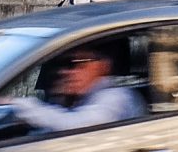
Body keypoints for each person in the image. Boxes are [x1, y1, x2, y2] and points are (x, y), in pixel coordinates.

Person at [9, 47, 144, 131]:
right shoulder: (79, 98)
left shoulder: (117, 97)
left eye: (78, 64)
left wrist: (18, 104)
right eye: (65, 66)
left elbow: (76, 126)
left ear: (103, 65)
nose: (66, 72)